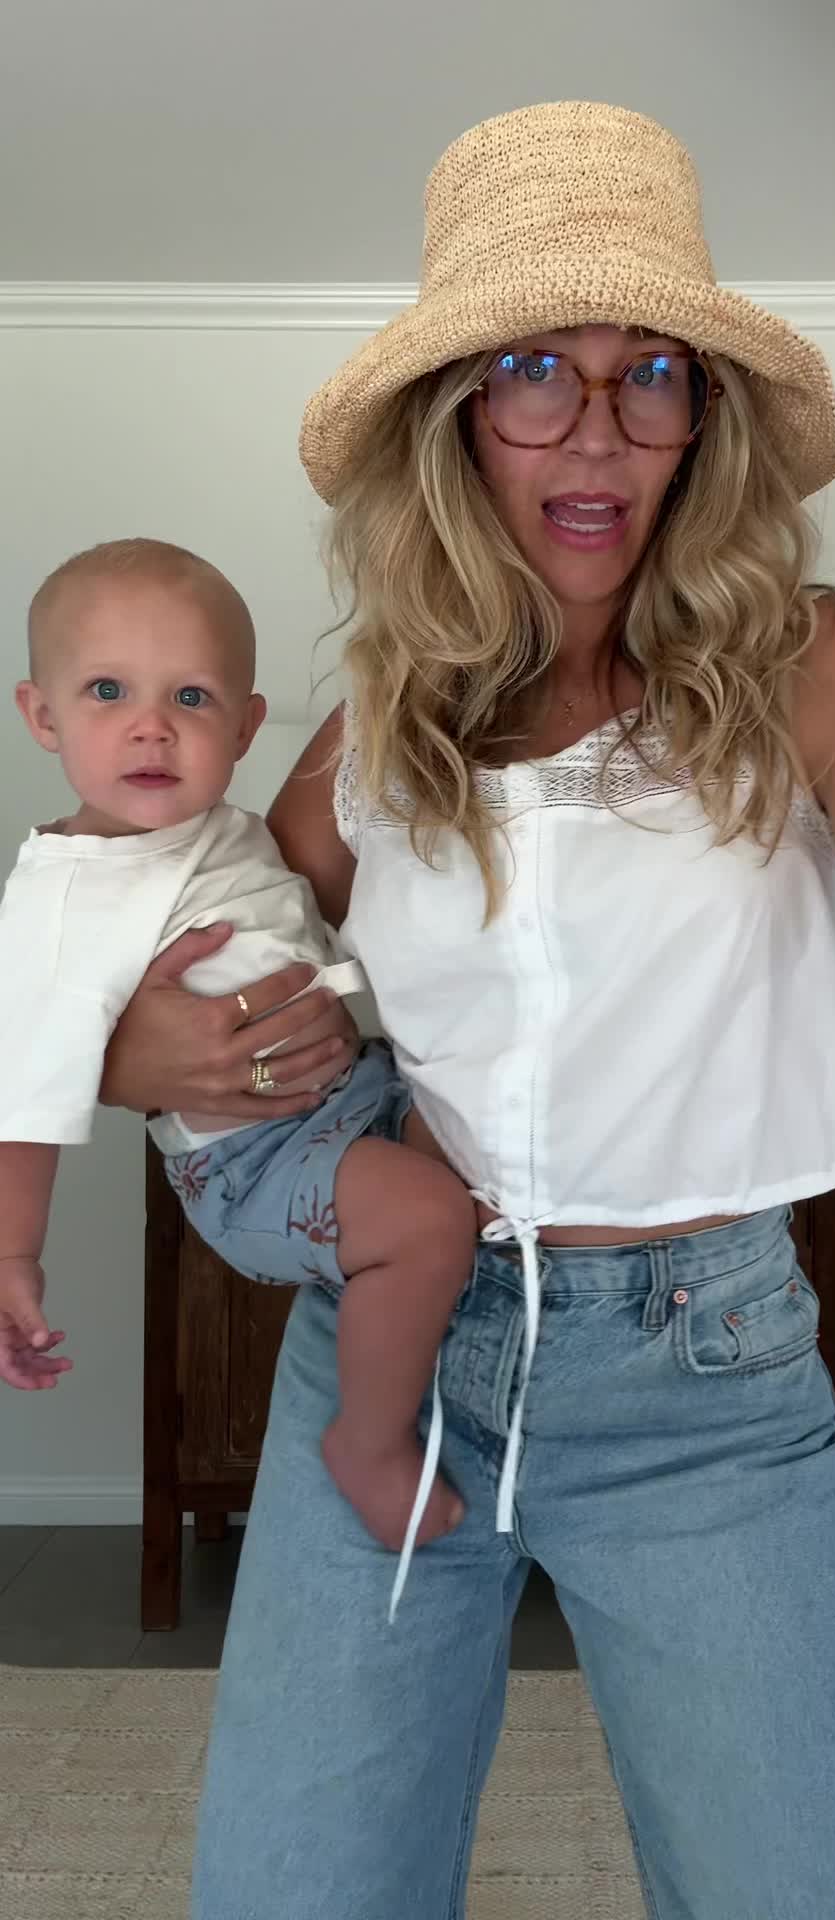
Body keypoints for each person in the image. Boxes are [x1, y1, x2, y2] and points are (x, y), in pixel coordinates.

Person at [97, 99, 835, 1920]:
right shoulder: (383, 718)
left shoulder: (818, 667)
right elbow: (189, 937)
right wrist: (120, 1051)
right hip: (393, 1357)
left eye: (652, 378)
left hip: (705, 1381)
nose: (599, 433)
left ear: (708, 417)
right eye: (537, 370)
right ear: (456, 415)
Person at [0, 539, 476, 1599]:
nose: (151, 725)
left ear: (247, 726)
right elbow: (21, 1094)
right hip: (252, 1162)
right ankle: (368, 1443)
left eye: (191, 696)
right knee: (428, 1222)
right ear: (42, 716)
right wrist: (13, 1256)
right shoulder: (62, 897)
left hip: (356, 1097)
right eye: (107, 691)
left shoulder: (225, 832)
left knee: (490, 1155)